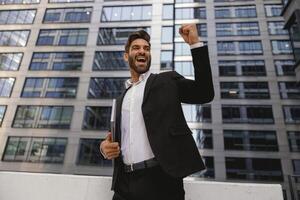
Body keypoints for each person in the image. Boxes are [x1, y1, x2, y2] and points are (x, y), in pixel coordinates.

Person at [99, 24, 214, 200]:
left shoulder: (166, 81)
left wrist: (195, 44)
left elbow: (204, 92)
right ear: (126, 56)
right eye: (136, 48)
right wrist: (104, 148)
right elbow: (117, 140)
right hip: (124, 185)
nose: (142, 51)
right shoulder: (121, 98)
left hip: (161, 183)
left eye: (146, 48)